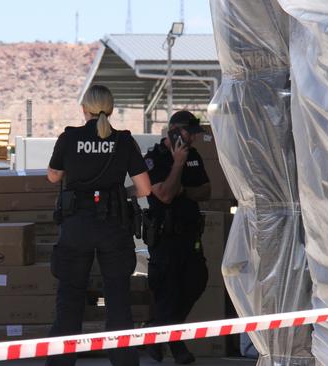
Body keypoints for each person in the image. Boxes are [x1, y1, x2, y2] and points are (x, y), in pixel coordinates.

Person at [46, 85, 152, 366]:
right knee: (118, 300)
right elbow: (144, 188)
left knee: (69, 299)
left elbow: (53, 177)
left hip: (76, 226)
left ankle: (61, 363)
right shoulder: (124, 141)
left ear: (84, 109)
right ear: (112, 109)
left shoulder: (70, 138)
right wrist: (118, 194)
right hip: (114, 227)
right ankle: (124, 361)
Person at [143, 110, 211, 364]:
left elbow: (206, 190)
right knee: (168, 291)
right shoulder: (154, 159)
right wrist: (178, 165)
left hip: (189, 234)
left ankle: (155, 330)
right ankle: (175, 344)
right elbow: (165, 195)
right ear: (174, 131)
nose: (192, 139)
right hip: (165, 238)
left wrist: (183, 187)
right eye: (188, 133)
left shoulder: (192, 155)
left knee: (196, 281)